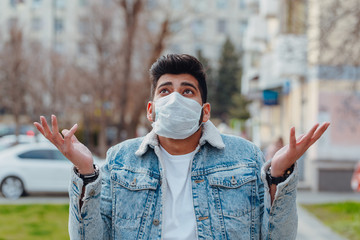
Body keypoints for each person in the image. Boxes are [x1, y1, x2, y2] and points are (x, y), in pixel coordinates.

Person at [34, 54, 330, 240]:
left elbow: (277, 236)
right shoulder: (121, 159)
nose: (175, 98)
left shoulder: (245, 157)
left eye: (187, 91)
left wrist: (279, 174)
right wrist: (85, 172)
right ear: (151, 110)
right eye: (166, 90)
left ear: (205, 110)